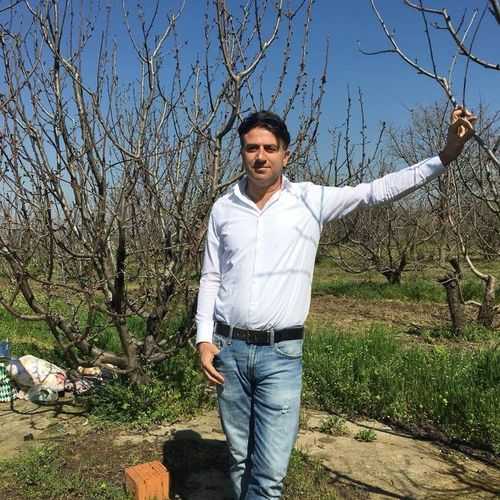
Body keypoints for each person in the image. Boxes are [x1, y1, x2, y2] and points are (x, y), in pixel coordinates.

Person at [195, 107, 476, 500]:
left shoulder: (311, 200)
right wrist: (203, 339)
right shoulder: (224, 208)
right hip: (230, 350)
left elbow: (375, 191)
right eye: (251, 148)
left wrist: (445, 156)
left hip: (280, 354)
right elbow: (211, 277)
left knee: (270, 473)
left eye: (270, 148)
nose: (260, 156)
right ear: (241, 152)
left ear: (286, 155)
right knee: (240, 459)